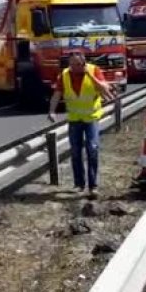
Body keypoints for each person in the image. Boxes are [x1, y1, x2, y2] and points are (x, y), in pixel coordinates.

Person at [48, 52, 116, 199]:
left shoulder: (94, 70)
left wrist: (89, 76)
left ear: (84, 64)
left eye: (79, 64)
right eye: (72, 64)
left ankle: (93, 186)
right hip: (74, 119)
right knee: (75, 152)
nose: (75, 67)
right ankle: (79, 184)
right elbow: (57, 94)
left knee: (92, 148)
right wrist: (52, 111)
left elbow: (104, 89)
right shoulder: (64, 75)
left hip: (91, 118)